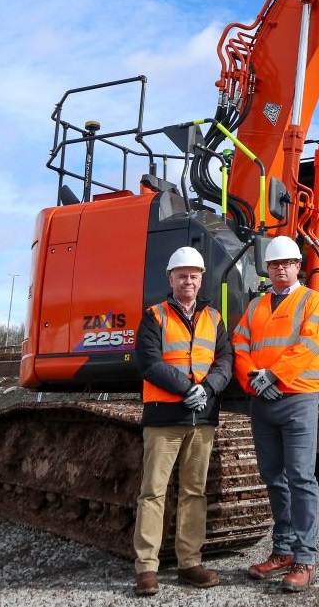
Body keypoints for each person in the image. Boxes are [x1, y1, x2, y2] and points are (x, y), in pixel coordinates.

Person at [132, 245, 233, 597]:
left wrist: (207, 389)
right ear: (171, 278)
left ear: (201, 278)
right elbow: (149, 361)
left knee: (194, 492)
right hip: (164, 416)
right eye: (182, 275)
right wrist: (188, 388)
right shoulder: (154, 315)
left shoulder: (215, 317)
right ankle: (147, 566)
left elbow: (225, 361)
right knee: (153, 492)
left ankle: (190, 561)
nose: (188, 280)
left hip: (201, 418)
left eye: (194, 275)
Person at [233, 235, 319, 592]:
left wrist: (273, 375)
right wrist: (253, 380)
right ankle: (283, 550)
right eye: (274, 265)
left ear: (297, 266)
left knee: (301, 479)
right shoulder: (256, 305)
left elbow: (309, 345)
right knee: (273, 476)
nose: (280, 269)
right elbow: (239, 344)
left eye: (287, 263)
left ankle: (306, 559)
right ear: (268, 269)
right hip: (263, 401)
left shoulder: (312, 301)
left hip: (298, 399)